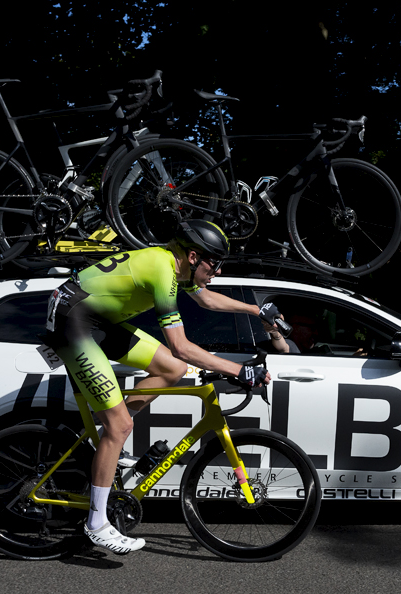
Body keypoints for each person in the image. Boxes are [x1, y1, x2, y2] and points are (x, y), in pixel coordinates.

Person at [45, 220, 276, 555]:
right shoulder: (162, 271)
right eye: (214, 262)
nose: (218, 270)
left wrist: (255, 310)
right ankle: (96, 523)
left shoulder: (176, 267)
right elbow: (181, 344)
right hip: (73, 318)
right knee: (123, 424)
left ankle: (107, 430)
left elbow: (207, 301)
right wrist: (238, 369)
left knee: (172, 368)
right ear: (194, 256)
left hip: (95, 318)